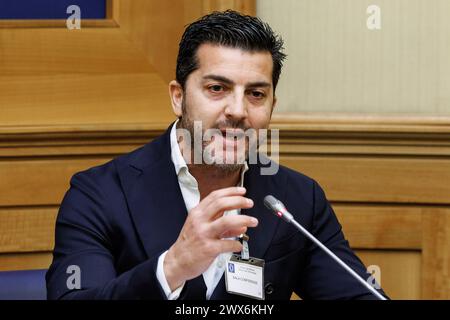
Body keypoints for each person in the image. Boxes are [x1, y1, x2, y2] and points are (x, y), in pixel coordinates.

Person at [46, 10, 387, 300]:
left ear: (272, 107)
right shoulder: (98, 194)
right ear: (178, 97)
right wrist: (173, 267)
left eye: (255, 94)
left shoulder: (297, 199)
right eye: (217, 88)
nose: (237, 110)